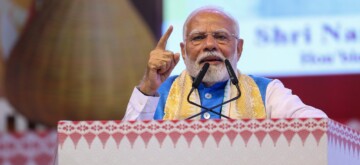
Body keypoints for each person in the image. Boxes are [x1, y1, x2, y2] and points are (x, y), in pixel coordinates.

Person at [123, 7, 327, 121]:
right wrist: (148, 88)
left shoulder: (267, 92)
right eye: (198, 38)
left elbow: (317, 125)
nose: (210, 45)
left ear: (238, 49)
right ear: (183, 51)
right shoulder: (159, 94)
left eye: (220, 37)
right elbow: (125, 149)